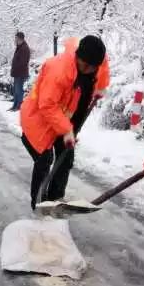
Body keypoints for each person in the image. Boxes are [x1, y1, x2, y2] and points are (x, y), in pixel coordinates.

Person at [20, 35, 109, 211]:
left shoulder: (94, 61)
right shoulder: (59, 71)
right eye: (87, 66)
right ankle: (39, 204)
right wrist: (67, 130)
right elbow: (47, 105)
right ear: (79, 58)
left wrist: (100, 88)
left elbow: (103, 69)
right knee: (45, 160)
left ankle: (55, 199)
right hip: (38, 120)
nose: (91, 70)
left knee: (66, 158)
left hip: (62, 119)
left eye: (94, 67)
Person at [9, 31, 31, 112]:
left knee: (19, 90)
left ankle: (19, 106)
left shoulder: (24, 48)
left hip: (20, 73)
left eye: (16, 39)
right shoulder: (20, 47)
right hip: (17, 73)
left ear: (20, 39)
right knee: (15, 90)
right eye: (15, 38)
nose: (15, 40)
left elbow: (23, 62)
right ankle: (15, 105)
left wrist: (16, 68)